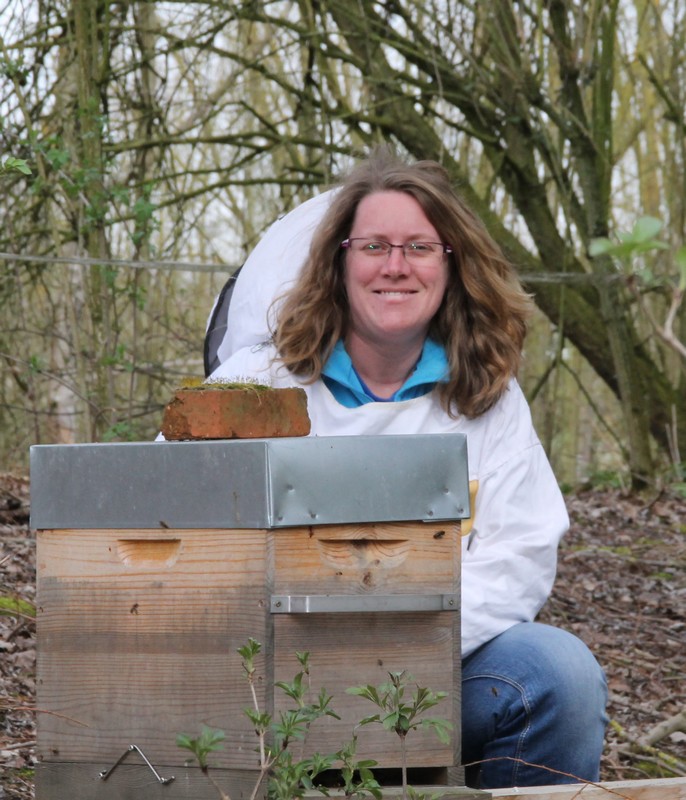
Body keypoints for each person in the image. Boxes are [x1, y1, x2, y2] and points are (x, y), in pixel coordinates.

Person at [207, 149, 608, 789]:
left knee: (559, 673)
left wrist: (388, 649)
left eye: (419, 247)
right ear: (339, 262)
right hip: (273, 684)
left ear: (451, 264)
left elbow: (519, 557)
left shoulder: (489, 398)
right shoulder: (256, 384)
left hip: (436, 674)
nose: (395, 266)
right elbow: (174, 538)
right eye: (374, 246)